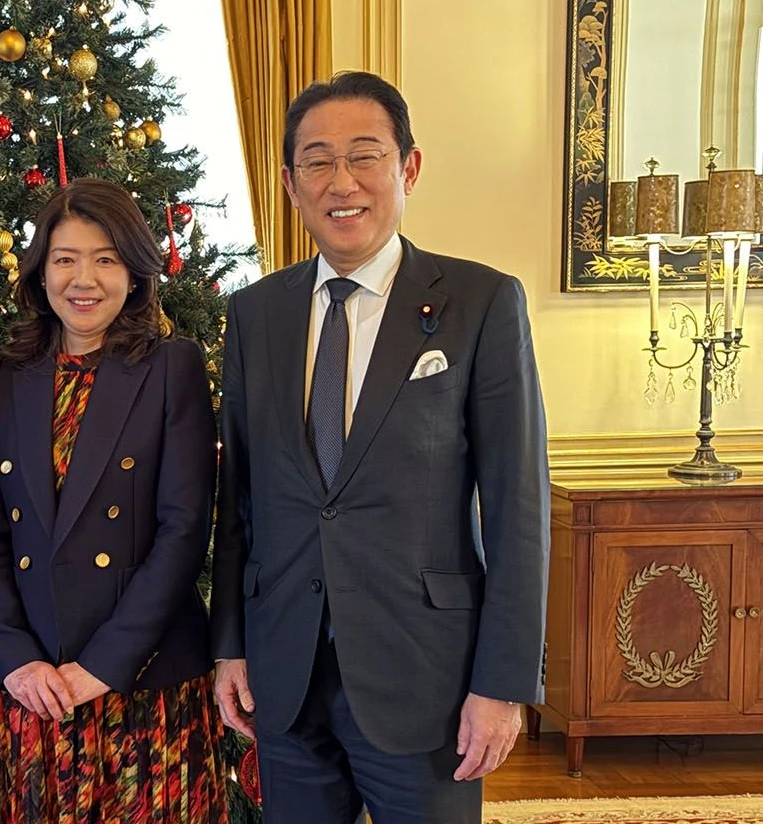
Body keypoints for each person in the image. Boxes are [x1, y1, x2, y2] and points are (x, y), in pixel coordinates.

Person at [210, 70, 551, 823]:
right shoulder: (255, 315)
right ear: (291, 183)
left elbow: (518, 511)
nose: (342, 182)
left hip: (425, 681)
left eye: (364, 155)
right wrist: (230, 644)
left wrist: (502, 686)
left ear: (409, 168)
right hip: (285, 673)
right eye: (317, 161)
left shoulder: (481, 303)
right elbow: (241, 502)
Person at [0, 178, 228, 822]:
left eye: (105, 259)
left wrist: (105, 665)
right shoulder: (4, 376)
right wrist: (16, 659)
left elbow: (184, 531)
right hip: (40, 689)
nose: (84, 280)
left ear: (134, 273)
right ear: (40, 272)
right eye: (65, 259)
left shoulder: (172, 367)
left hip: (147, 682)